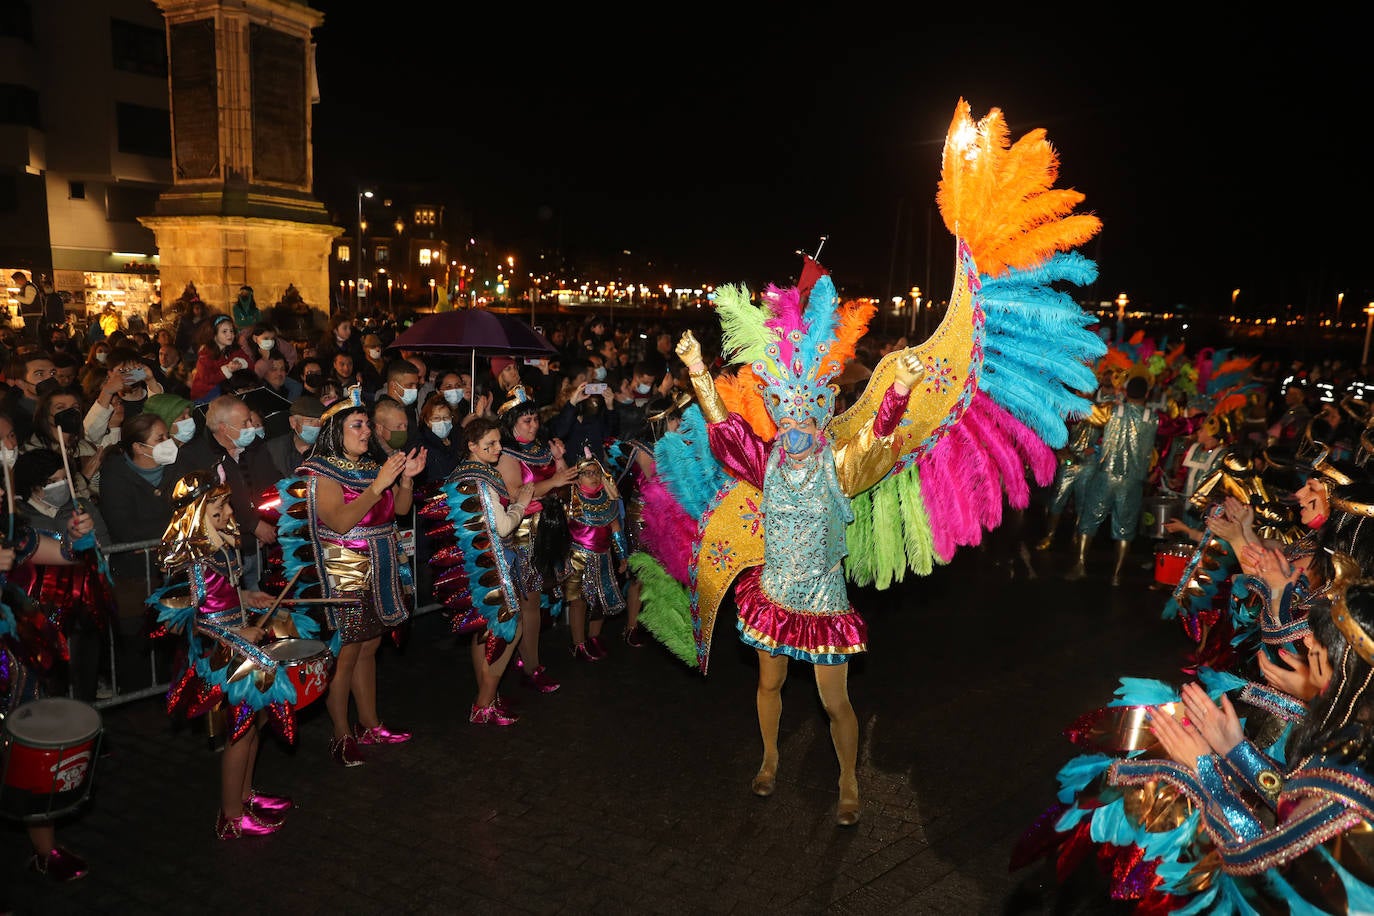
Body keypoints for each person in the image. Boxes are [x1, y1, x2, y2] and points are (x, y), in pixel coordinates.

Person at [671, 283, 923, 827]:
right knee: (768, 683)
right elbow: (723, 428)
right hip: (776, 591)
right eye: (786, 420)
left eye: (805, 421)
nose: (796, 431)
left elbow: (877, 438)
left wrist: (899, 387)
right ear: (779, 420)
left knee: (835, 703)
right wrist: (696, 370)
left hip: (824, 601)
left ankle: (849, 782)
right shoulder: (764, 461)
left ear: (819, 419)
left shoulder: (838, 467)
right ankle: (768, 758)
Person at [147, 471, 295, 838]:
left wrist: (248, 598)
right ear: (197, 518)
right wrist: (235, 631)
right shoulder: (196, 560)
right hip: (221, 651)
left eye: (226, 505)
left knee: (254, 724)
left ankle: (245, 795)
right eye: (218, 510)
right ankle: (230, 817)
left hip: (241, 643)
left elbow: (222, 596)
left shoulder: (221, 547)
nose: (228, 512)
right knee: (239, 732)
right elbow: (193, 620)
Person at [293, 387, 426, 765]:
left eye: (367, 424)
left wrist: (405, 480)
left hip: (381, 564)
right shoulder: (320, 471)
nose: (366, 431)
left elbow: (399, 511)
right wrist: (379, 484)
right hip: (345, 571)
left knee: (371, 647)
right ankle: (341, 733)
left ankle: (369, 723)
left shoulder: (372, 466)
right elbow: (339, 520)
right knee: (346, 653)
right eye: (357, 424)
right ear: (336, 430)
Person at [1, 499, 99, 880]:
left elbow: (63, 554)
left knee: (29, 749)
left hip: (18, 669)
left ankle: (46, 851)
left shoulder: (12, 534)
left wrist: (77, 536)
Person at [428, 415, 533, 725]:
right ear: (472, 446)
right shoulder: (480, 481)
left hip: (473, 566)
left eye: (499, 442)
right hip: (492, 566)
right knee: (510, 631)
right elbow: (502, 527)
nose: (498, 448)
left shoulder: (461, 474)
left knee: (483, 633)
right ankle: (484, 702)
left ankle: (489, 695)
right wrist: (521, 503)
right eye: (490, 444)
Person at [9, 448, 114, 703]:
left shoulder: (81, 508)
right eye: (52, 481)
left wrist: (80, 538)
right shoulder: (19, 521)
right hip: (37, 611)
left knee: (83, 671)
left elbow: (96, 550)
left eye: (63, 478)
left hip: (80, 606)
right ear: (33, 486)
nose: (61, 485)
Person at [496, 389, 578, 695]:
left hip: (547, 531)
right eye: (526, 420)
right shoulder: (506, 453)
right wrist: (552, 483)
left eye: (535, 419)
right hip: (523, 535)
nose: (533, 425)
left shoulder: (541, 449)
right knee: (529, 604)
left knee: (536, 602)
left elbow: (564, 478)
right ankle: (531, 667)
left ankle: (526, 659)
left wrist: (558, 461)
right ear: (511, 423)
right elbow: (516, 492)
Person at [170, 394, 277, 590]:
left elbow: (272, 484)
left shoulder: (255, 447)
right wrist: (252, 524)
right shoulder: (195, 456)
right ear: (224, 428)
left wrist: (270, 522)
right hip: (222, 554)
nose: (251, 427)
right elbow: (201, 503)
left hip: (262, 547)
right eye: (245, 423)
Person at [1065, 372, 1159, 585]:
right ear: (1147, 394)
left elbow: (1086, 412)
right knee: (1125, 528)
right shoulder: (1153, 418)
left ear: (1125, 391)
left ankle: (1080, 565)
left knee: (1089, 519)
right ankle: (1117, 575)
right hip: (1133, 483)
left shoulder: (1113, 410)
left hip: (1106, 476)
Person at [560, 457, 628, 661]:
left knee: (600, 601)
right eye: (587, 473)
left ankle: (594, 637)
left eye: (596, 473)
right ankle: (578, 643)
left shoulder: (608, 500)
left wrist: (623, 557)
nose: (593, 477)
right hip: (577, 558)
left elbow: (616, 530)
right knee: (578, 602)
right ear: (577, 478)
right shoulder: (570, 499)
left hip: (604, 559)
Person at [244, 394, 323, 499]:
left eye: (320, 421)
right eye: (310, 421)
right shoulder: (272, 450)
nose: (316, 426)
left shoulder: (328, 449)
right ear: (293, 422)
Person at [189, 315, 252, 402]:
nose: (230, 334)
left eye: (231, 331)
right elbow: (207, 379)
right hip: (204, 396)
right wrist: (227, 370)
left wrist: (240, 363)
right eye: (224, 331)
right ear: (214, 335)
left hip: (224, 391)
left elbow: (250, 364)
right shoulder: (205, 355)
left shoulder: (233, 349)